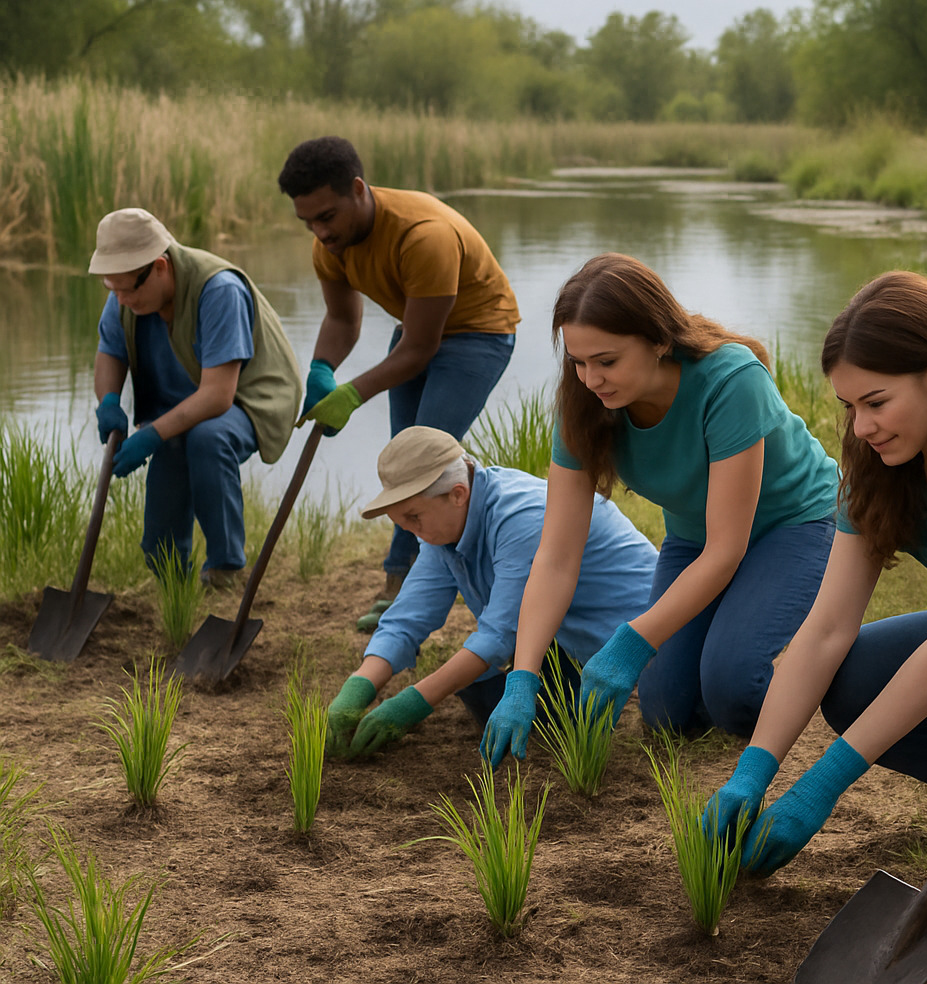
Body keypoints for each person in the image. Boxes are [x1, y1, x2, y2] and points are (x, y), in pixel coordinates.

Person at [700, 271, 927, 875]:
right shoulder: (880, 458)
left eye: (876, 403)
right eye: (850, 407)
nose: (862, 426)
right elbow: (826, 628)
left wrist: (821, 786)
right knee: (853, 674)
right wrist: (752, 773)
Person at [478, 253, 839, 763]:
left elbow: (726, 549)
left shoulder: (730, 380)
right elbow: (556, 558)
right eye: (578, 362)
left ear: (659, 340)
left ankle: (816, 667)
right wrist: (522, 676)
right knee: (666, 709)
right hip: (696, 537)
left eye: (606, 361)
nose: (590, 379)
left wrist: (631, 643)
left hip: (795, 523)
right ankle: (735, 645)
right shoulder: (585, 407)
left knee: (732, 688)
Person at [277, 136, 520, 630]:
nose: (319, 232)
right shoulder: (332, 246)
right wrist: (323, 368)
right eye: (307, 222)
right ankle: (407, 578)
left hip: (479, 333)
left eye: (326, 217)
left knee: (426, 464)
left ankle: (404, 583)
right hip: (417, 330)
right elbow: (343, 322)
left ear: (359, 190)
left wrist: (352, 394)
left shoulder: (422, 235)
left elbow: (421, 349)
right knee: (400, 457)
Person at [326, 426, 658, 760]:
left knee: (532, 712)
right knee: (478, 688)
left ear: (457, 494)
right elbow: (405, 620)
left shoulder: (521, 517)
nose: (414, 532)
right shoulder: (442, 531)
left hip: (639, 645)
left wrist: (412, 703)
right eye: (402, 523)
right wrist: (358, 687)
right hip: (566, 640)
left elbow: (499, 635)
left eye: (414, 517)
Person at [90, 208, 302, 587]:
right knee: (161, 533)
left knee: (207, 439)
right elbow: (111, 350)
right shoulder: (127, 291)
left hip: (249, 398)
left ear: (159, 266)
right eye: (112, 289)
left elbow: (218, 396)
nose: (120, 299)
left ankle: (224, 569)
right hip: (184, 401)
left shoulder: (218, 290)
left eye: (128, 289)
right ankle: (173, 580)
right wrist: (108, 401)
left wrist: (152, 434)